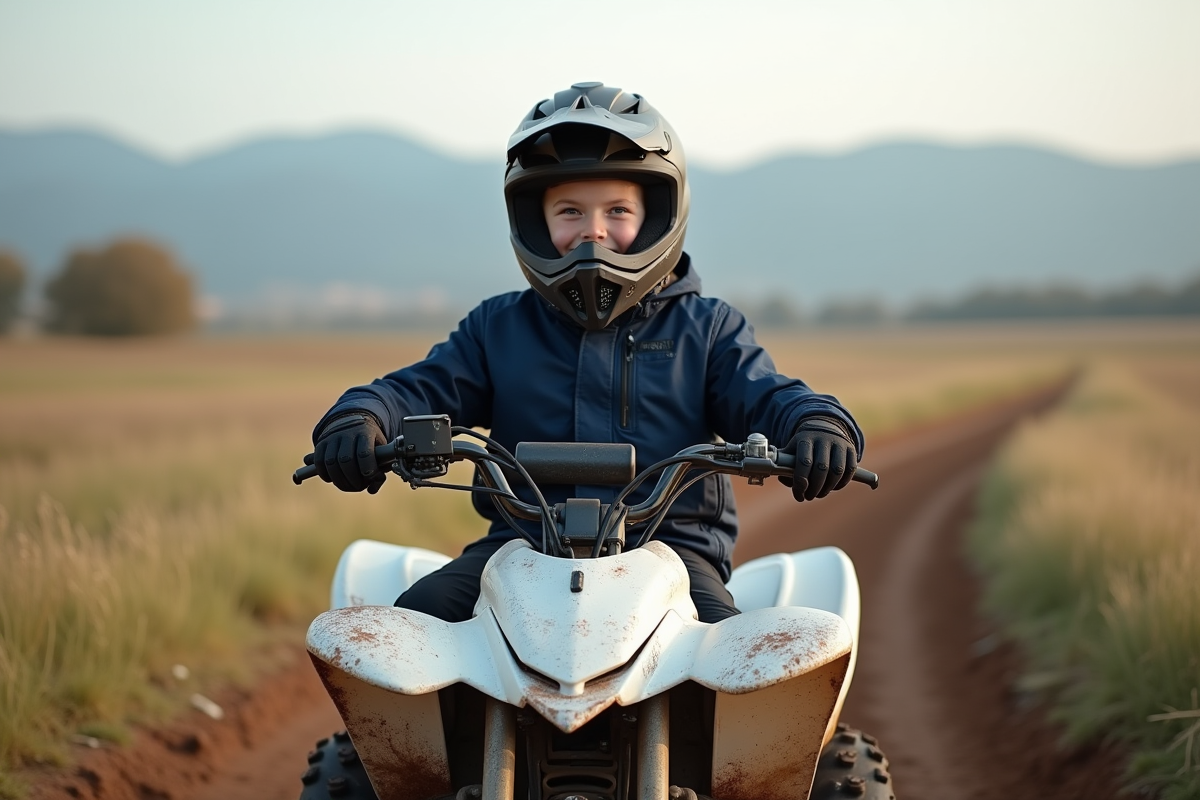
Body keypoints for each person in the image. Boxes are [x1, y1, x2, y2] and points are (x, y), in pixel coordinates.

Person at [309, 82, 864, 624]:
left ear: (657, 216)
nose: (593, 233)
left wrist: (817, 424)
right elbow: (419, 388)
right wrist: (364, 416)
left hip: (672, 556)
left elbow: (766, 394)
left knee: (735, 667)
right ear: (535, 221)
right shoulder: (496, 327)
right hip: (516, 550)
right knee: (402, 638)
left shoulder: (708, 328)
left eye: (617, 210)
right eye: (569, 211)